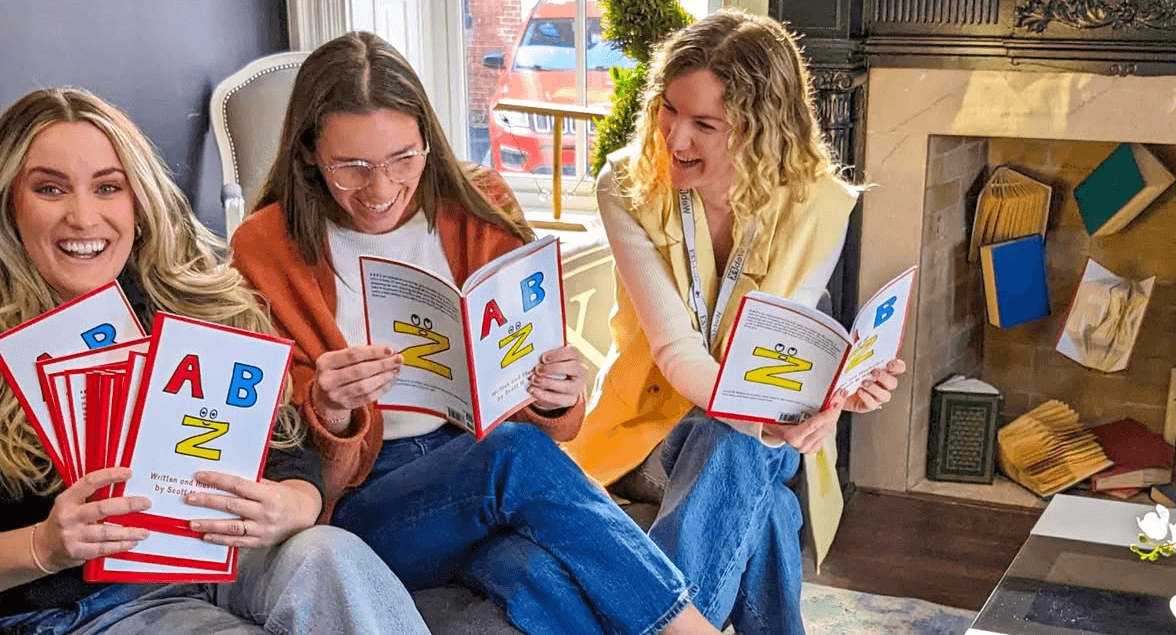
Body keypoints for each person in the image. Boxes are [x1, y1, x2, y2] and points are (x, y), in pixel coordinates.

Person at [231, 30, 725, 635]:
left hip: (475, 470)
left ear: (427, 141)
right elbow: (271, 441)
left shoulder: (479, 205)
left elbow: (536, 390)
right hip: (364, 496)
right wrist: (330, 409)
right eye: (351, 167)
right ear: (309, 152)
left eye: (401, 159)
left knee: (538, 576)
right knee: (511, 457)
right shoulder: (264, 245)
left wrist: (555, 392)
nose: (381, 189)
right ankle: (691, 628)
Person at [0, 87, 430, 635]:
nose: (83, 217)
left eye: (108, 187)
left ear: (138, 203)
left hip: (220, 554)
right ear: (11, 203)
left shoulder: (186, 301)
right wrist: (44, 545)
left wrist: (291, 505)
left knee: (329, 554)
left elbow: (288, 450)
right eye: (50, 189)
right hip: (85, 605)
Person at [564, 11, 908, 635]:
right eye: (669, 110)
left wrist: (831, 402)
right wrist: (775, 417)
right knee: (765, 501)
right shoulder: (627, 186)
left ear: (759, 131)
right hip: (649, 430)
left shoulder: (818, 204)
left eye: (705, 124)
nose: (674, 140)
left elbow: (785, 351)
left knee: (735, 444)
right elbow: (676, 353)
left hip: (757, 432)